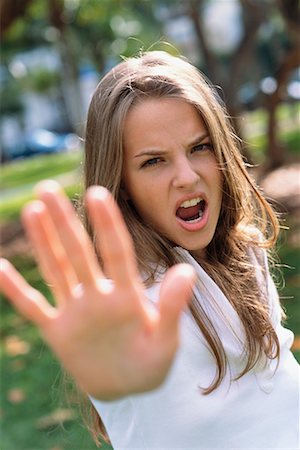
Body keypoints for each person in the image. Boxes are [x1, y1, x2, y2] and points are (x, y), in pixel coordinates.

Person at [0, 51, 299, 450]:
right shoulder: (137, 305)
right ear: (121, 184)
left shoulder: (242, 249)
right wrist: (121, 388)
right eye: (154, 161)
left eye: (200, 147)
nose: (187, 177)